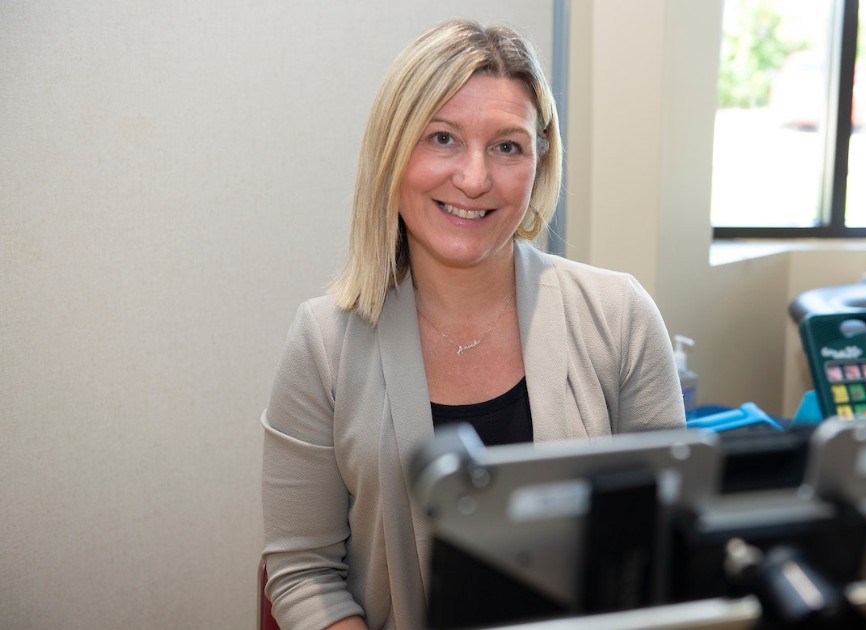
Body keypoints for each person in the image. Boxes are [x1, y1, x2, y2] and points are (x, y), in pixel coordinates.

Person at [261, 18, 686, 630]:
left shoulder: (619, 318)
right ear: (393, 151)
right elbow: (304, 574)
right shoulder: (324, 342)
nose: (474, 178)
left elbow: (664, 546)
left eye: (507, 146)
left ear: (540, 163)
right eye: (442, 138)